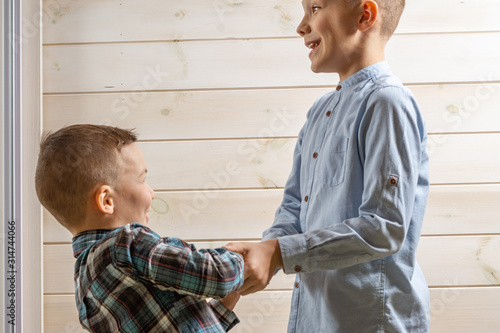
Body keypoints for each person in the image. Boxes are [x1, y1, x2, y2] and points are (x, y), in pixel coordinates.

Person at [224, 0, 431, 331]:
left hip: (369, 321)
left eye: (315, 8)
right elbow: (293, 210)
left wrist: (279, 252)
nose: (301, 26)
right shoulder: (319, 112)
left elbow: (384, 228)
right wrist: (259, 257)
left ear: (365, 15)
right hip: (314, 318)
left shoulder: (388, 102)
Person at [35, 124, 244, 332]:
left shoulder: (85, 287)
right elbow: (219, 275)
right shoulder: (126, 246)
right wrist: (242, 260)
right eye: (142, 180)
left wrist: (222, 308)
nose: (151, 192)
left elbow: (173, 323)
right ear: (106, 200)